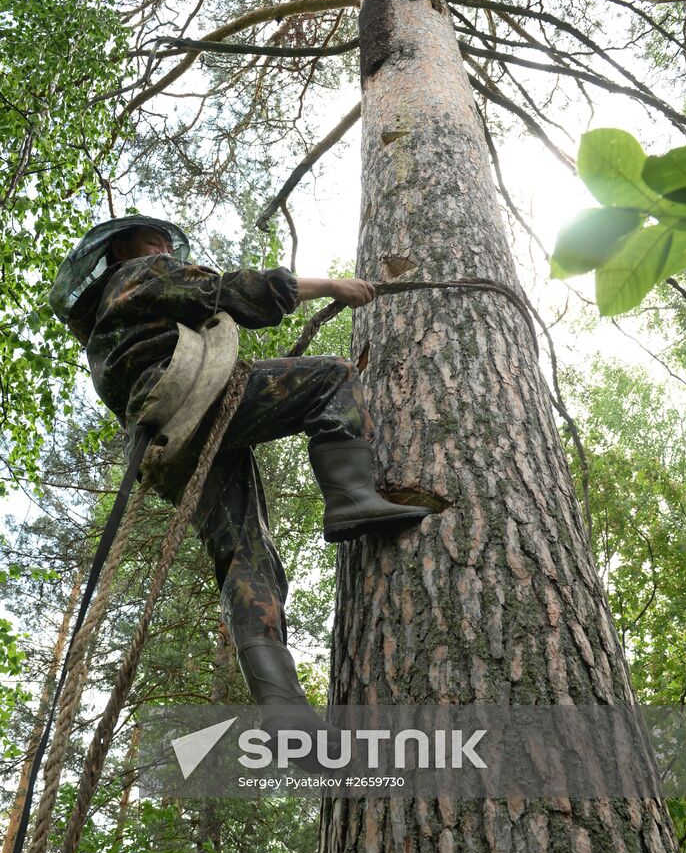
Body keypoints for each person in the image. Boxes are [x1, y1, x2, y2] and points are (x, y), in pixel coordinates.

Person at [49, 215, 432, 754]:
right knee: (332, 378)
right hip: (191, 395)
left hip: (166, 439)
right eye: (150, 240)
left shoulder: (104, 326)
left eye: (165, 243)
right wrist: (333, 285)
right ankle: (352, 497)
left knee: (247, 556)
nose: (162, 248)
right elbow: (233, 290)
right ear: (119, 253)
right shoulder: (139, 275)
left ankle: (282, 711)